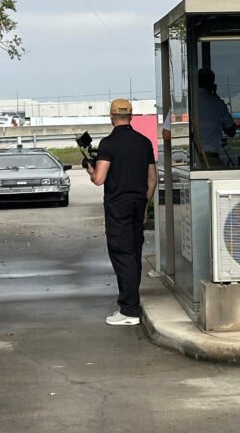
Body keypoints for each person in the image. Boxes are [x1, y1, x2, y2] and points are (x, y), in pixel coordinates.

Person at [85, 98, 157, 326]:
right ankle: (131, 302)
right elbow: (153, 178)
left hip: (118, 206)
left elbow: (99, 178)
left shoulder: (108, 144)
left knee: (121, 254)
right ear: (131, 117)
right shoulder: (144, 142)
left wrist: (90, 168)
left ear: (111, 117)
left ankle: (129, 310)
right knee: (134, 253)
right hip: (138, 203)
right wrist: (145, 205)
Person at [196, 68, 238, 167]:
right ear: (211, 84)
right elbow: (231, 131)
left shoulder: (190, 102)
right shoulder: (217, 103)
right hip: (211, 157)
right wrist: (215, 95)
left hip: (194, 157)